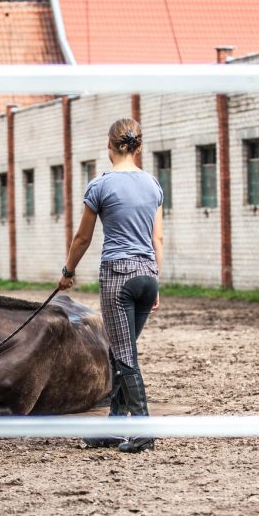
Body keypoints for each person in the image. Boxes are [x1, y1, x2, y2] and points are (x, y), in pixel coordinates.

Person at [57, 118, 163, 453]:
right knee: (120, 350)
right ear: (138, 147)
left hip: (118, 277)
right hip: (147, 276)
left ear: (109, 147)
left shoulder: (100, 186)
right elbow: (156, 237)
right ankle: (116, 426)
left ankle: (143, 430)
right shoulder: (153, 185)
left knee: (124, 353)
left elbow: (82, 237)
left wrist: (67, 271)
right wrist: (155, 282)